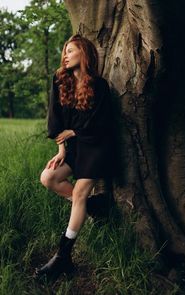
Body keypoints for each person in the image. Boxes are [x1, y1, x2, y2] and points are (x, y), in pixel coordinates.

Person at [34, 33, 116, 282]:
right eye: (64, 51)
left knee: (79, 193)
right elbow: (55, 118)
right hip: (74, 148)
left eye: (71, 50)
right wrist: (61, 150)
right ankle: (95, 207)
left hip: (97, 146)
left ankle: (63, 257)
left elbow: (101, 123)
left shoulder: (100, 86)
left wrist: (74, 131)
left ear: (84, 53)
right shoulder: (61, 80)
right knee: (48, 177)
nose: (65, 55)